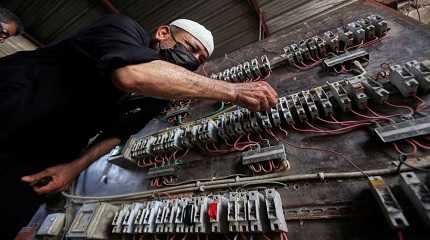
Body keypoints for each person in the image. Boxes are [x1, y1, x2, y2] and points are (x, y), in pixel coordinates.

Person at [0, 14, 278, 238]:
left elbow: (117, 134)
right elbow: (131, 75)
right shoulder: (122, 28)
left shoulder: (159, 96)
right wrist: (233, 91)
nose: (192, 60)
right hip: (14, 104)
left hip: (43, 152)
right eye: (190, 48)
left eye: (200, 60)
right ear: (162, 34)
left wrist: (73, 169)